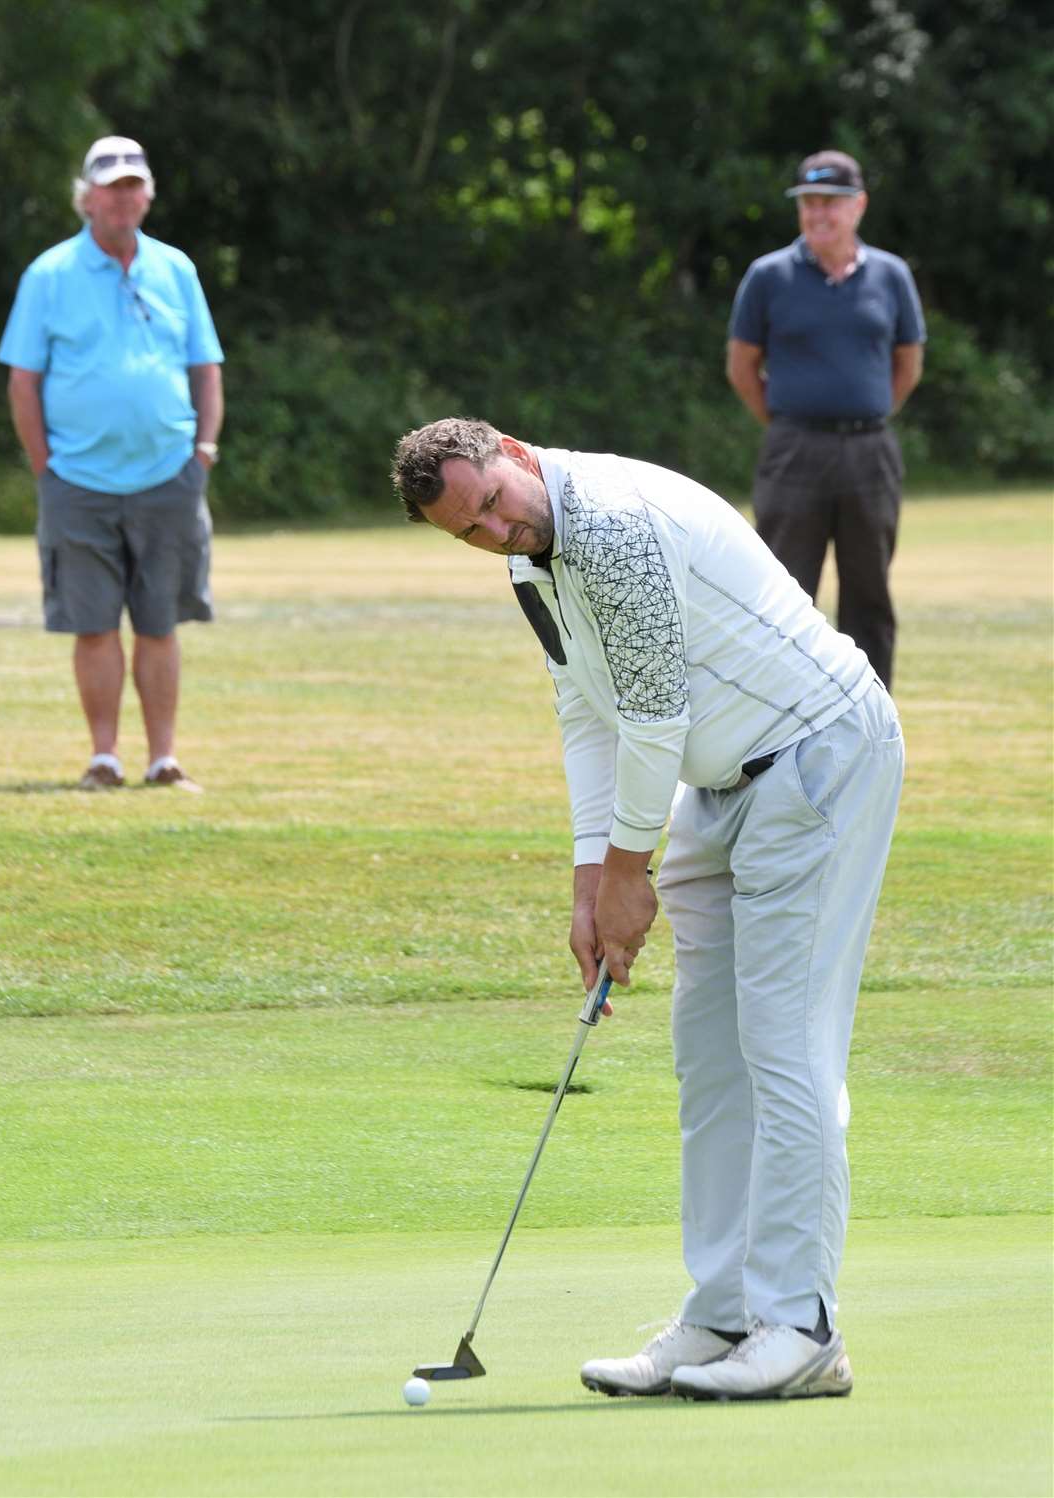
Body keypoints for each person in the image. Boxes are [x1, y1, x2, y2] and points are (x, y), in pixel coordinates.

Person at [391, 417, 905, 1402]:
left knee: (785, 1044)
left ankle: (800, 1327)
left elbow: (657, 712)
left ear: (512, 452)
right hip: (721, 786)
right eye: (470, 531)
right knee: (710, 1054)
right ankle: (720, 1315)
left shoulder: (613, 524)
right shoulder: (530, 570)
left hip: (818, 756)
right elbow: (587, 711)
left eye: (495, 502)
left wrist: (630, 876)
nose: (496, 531)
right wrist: (592, 879)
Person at [0, 135, 225, 792]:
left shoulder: (175, 268)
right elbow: (22, 382)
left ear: (147, 195)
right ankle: (104, 758)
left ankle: (163, 759)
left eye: (134, 185)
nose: (124, 197)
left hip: (169, 478)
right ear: (87, 197)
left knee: (160, 624)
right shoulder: (49, 275)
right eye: (112, 186)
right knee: (92, 625)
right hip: (78, 483)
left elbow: (206, 367)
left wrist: (202, 451)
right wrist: (47, 468)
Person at [726, 150, 925, 691]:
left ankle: (870, 716)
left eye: (831, 204)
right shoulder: (769, 276)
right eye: (809, 203)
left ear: (858, 206)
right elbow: (742, 365)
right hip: (794, 449)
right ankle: (777, 721)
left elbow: (907, 363)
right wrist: (787, 420)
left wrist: (866, 410)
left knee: (869, 595)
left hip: (870, 451)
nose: (818, 214)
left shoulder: (891, 275)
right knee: (780, 593)